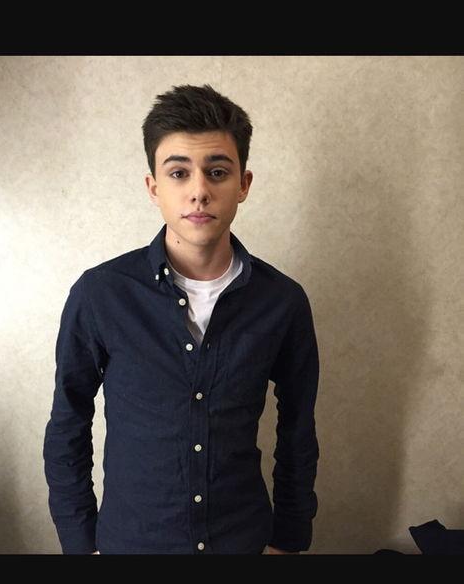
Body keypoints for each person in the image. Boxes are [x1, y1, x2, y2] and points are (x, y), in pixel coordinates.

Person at [43, 84, 320, 554]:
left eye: (217, 172)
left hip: (243, 541)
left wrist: (289, 540)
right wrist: (80, 542)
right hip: (130, 543)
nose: (199, 191)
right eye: (178, 173)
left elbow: (298, 430)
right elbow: (68, 423)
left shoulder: (283, 301)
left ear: (243, 184)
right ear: (154, 187)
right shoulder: (101, 293)